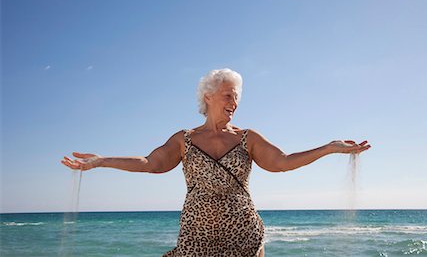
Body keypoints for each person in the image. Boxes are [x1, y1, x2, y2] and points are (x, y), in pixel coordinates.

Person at [61, 68, 371, 257]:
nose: (234, 102)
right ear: (208, 96)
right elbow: (149, 163)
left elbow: (283, 161)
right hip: (196, 237)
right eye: (227, 96)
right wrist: (100, 161)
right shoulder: (183, 139)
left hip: (243, 235)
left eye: (236, 97)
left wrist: (329, 148)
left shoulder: (248, 137)